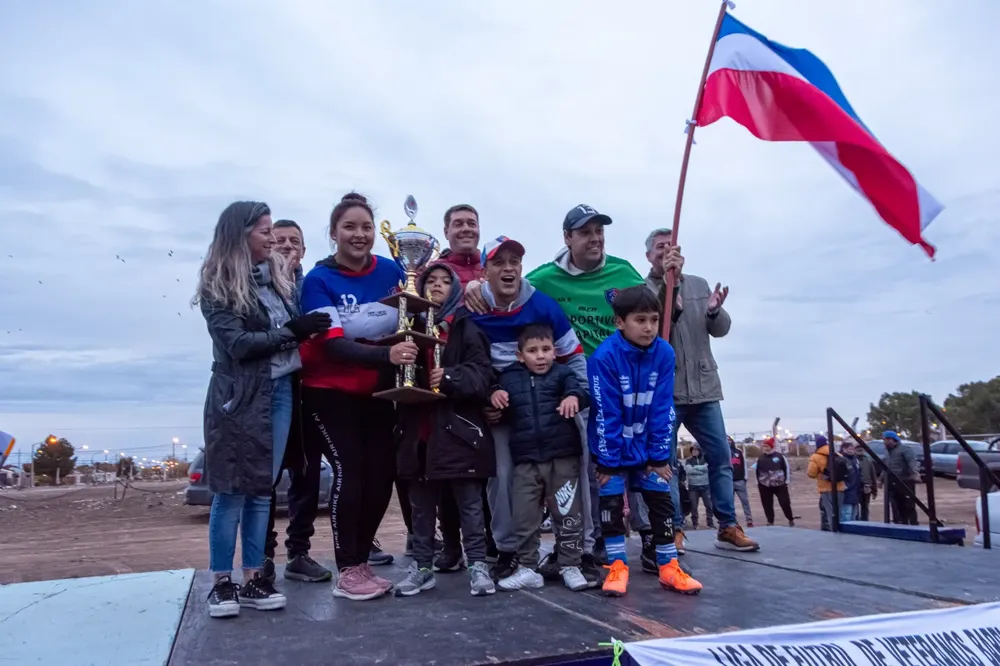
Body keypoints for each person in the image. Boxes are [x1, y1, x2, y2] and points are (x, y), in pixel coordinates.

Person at [196, 201, 332, 618]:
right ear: (241, 235)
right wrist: (290, 331)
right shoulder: (217, 285)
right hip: (239, 397)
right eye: (265, 231)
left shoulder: (276, 280)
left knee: (261, 491)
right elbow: (237, 345)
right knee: (231, 491)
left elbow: (290, 322)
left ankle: (255, 577)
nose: (272, 238)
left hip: (281, 393)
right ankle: (222, 582)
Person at [298, 192, 419, 601]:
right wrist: (387, 353)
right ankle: (347, 569)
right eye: (349, 227)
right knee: (351, 471)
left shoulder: (392, 270)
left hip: (379, 393)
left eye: (366, 226)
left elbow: (416, 317)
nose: (359, 234)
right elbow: (332, 345)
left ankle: (362, 561)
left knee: (381, 475)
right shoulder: (319, 280)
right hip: (328, 392)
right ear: (333, 233)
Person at [464, 236, 601, 586]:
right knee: (502, 476)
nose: (509, 268)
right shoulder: (473, 308)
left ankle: (581, 551)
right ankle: (510, 551)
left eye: (515, 262)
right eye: (499, 263)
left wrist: (581, 398)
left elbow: (573, 357)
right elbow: (466, 363)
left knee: (577, 476)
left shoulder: (544, 306)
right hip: (506, 408)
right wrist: (483, 401)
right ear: (485, 270)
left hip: (557, 408)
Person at [643, 228, 758, 552]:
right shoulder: (644, 289)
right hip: (668, 390)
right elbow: (659, 330)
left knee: (721, 458)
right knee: (666, 463)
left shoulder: (698, 284)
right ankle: (674, 529)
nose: (667, 252)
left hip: (705, 387)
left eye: (672, 246)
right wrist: (670, 287)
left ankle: (727, 525)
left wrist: (713, 311)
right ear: (649, 256)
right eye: (660, 248)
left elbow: (720, 330)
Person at [588, 286, 702, 596]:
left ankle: (668, 567)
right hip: (613, 448)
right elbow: (604, 413)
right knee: (610, 506)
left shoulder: (664, 352)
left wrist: (659, 456)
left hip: (647, 447)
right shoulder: (603, 357)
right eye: (640, 320)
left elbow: (662, 408)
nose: (649, 327)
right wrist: (608, 463)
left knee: (661, 503)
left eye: (653, 319)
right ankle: (617, 567)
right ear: (619, 322)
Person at [392, 264, 497, 598]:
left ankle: (478, 565)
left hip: (459, 433)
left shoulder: (467, 328)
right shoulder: (407, 326)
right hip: (418, 433)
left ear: (455, 289)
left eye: (445, 281)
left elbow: (483, 376)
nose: (437, 286)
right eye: (430, 281)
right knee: (421, 507)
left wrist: (450, 378)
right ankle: (423, 566)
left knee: (469, 504)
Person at [490, 324, 591, 592]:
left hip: (563, 457)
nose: (541, 356)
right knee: (524, 517)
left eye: (546, 349)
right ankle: (528, 568)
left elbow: (581, 391)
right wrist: (494, 394)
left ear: (555, 352)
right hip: (525, 461)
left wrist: (573, 397)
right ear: (520, 356)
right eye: (533, 351)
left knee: (568, 514)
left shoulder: (562, 374)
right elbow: (491, 389)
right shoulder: (509, 377)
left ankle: (570, 565)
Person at [261, 218, 334, 585]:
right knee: (267, 478)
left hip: (311, 391)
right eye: (280, 240)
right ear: (267, 246)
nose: (288, 246)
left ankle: (299, 553)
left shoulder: (314, 287)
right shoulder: (258, 285)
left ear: (305, 250)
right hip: (270, 391)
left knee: (305, 475)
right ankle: (263, 556)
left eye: (295, 241)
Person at [430, 203, 488, 574]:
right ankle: (449, 545)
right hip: (443, 386)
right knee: (446, 476)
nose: (465, 229)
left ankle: (490, 548)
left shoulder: (493, 266)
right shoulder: (430, 271)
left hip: (487, 380)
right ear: (446, 230)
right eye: (458, 224)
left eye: (472, 223)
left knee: (486, 476)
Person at [806, 435, 846, 531]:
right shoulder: (837, 454)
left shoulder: (815, 457)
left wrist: (820, 475)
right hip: (840, 488)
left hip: (826, 489)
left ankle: (834, 533)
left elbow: (811, 473)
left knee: (830, 512)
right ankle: (841, 531)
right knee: (839, 513)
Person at [755, 436, 794, 527]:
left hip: (780, 485)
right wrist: (758, 482)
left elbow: (786, 468)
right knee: (767, 504)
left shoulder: (780, 457)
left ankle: (790, 518)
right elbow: (757, 470)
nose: (765, 448)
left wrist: (786, 481)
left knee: (785, 502)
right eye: (764, 446)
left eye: (766, 446)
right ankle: (770, 521)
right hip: (764, 485)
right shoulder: (760, 458)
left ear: (771, 446)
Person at [882, 431, 919, 525]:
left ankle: (913, 525)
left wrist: (915, 473)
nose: (884, 442)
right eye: (884, 440)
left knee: (909, 505)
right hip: (892, 481)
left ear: (892, 439)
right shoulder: (887, 452)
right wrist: (880, 479)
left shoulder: (905, 449)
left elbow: (912, 461)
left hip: (905, 481)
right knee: (896, 506)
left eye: (886, 440)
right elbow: (886, 466)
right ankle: (901, 524)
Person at [683, 444, 714, 530]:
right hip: (693, 487)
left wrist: (696, 468)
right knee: (693, 506)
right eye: (693, 450)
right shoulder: (688, 460)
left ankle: (710, 523)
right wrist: (701, 470)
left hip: (705, 486)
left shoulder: (705, 459)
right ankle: (695, 524)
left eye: (696, 450)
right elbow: (688, 470)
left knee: (709, 505)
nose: (694, 452)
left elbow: (707, 468)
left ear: (700, 451)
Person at [729, 436, 754, 527]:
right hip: (728, 482)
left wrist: (745, 478)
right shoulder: (722, 452)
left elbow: (744, 465)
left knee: (745, 501)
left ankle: (749, 520)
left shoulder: (738, 452)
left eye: (729, 441)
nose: (728, 442)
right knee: (730, 503)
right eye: (726, 441)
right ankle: (732, 522)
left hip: (740, 481)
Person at [840, 442, 862, 522]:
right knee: (846, 514)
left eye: (853, 449)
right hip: (846, 492)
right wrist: (845, 485)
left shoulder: (855, 460)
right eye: (850, 449)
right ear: (844, 449)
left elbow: (859, 473)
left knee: (854, 514)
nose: (852, 451)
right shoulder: (841, 460)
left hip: (855, 491)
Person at [858, 444, 878, 521]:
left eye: (861, 448)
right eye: (858, 448)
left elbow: (873, 476)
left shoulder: (869, 461)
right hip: (855, 488)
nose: (860, 450)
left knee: (865, 507)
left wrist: (874, 490)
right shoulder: (851, 460)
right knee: (855, 507)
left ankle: (865, 522)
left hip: (866, 487)